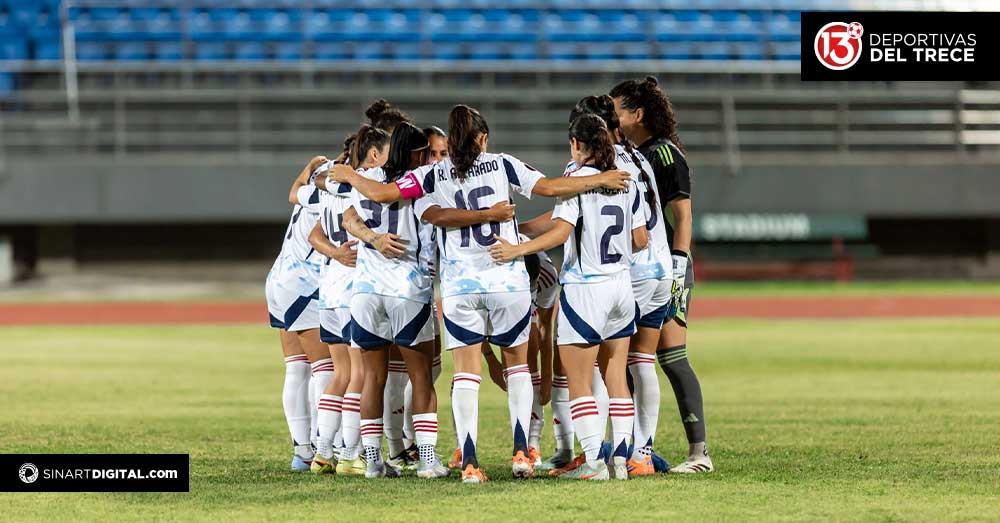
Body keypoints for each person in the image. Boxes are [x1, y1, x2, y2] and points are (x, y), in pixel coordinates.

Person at [411, 105, 632, 483]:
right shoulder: (503, 164)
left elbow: (432, 215)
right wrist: (597, 180)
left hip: (460, 283)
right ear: (483, 138)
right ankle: (522, 453)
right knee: (518, 367)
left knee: (465, 374)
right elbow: (548, 187)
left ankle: (469, 463)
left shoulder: (430, 174)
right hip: (507, 279)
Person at [490, 113, 648, 480]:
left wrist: (517, 248)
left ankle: (594, 463)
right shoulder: (630, 179)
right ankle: (621, 463)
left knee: (578, 380)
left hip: (586, 287)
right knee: (616, 377)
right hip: (621, 286)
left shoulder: (575, 181)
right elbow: (641, 239)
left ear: (577, 144)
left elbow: (561, 233)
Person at [611, 76, 713, 473]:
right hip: (636, 270)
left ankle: (699, 453)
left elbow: (683, 217)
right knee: (633, 359)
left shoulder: (664, 155)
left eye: (619, 109)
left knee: (671, 357)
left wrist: (677, 266)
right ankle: (640, 450)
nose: (614, 118)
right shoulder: (630, 154)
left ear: (638, 114)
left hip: (664, 270)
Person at [266, 154, 335, 471]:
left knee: (297, 368)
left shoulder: (320, 175)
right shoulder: (342, 185)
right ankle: (323, 449)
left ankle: (302, 451)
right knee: (325, 367)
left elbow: (294, 193)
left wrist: (307, 170)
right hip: (305, 283)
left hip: (280, 278)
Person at [305, 152, 366, 476]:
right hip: (351, 292)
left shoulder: (330, 192)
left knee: (340, 374)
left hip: (328, 292)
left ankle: (323, 453)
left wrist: (334, 253)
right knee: (360, 375)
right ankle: (349, 455)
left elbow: (313, 234)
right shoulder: (356, 191)